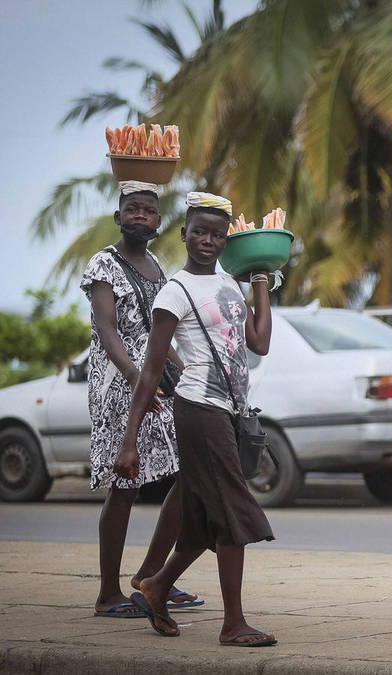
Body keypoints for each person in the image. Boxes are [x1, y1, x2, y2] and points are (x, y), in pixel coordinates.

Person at [115, 191, 277, 647]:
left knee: (206, 516)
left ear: (227, 240)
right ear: (183, 234)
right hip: (197, 410)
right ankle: (233, 624)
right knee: (232, 510)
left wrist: (260, 281)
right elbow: (151, 368)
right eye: (199, 232)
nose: (208, 241)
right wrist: (130, 441)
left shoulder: (229, 284)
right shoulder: (175, 291)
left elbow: (259, 343)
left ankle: (156, 585)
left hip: (227, 411)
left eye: (217, 234)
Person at [81, 180, 202, 618]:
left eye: (149, 211)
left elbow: (160, 333)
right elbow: (107, 328)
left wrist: (188, 372)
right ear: (118, 218)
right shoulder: (103, 265)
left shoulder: (155, 265)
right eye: (132, 209)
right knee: (126, 485)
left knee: (190, 473)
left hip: (157, 383)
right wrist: (136, 379)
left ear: (158, 221)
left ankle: (154, 579)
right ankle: (108, 594)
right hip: (119, 387)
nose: (141, 216)